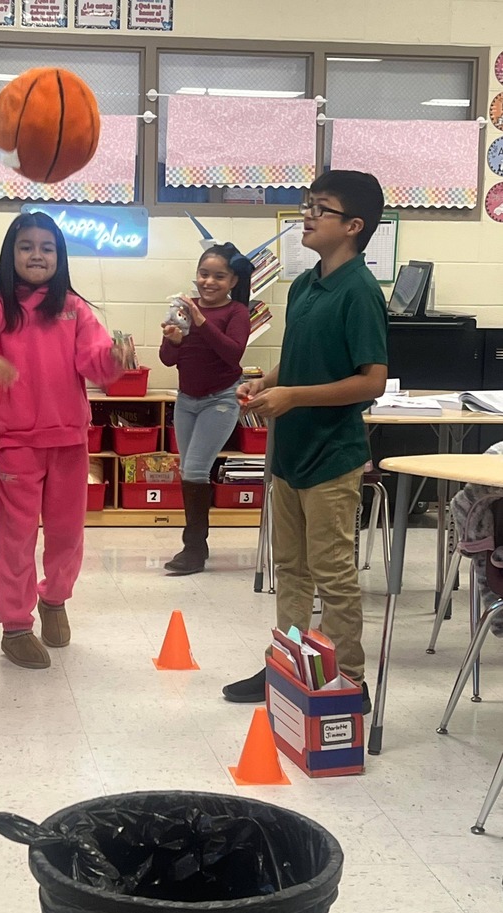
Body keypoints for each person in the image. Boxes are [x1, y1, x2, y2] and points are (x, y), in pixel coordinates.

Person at [222, 170, 388, 714]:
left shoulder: (360, 291)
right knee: (290, 571)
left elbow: (372, 381)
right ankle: (288, 666)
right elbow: (298, 361)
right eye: (307, 205)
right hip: (290, 454)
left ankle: (349, 682)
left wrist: (293, 396)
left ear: (353, 226)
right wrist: (266, 383)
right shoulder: (303, 285)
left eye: (321, 208)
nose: (308, 216)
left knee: (333, 574)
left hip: (332, 456)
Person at [0, 212, 128, 669]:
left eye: (46, 247)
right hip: (16, 442)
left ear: (59, 256)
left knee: (68, 533)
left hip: (69, 440)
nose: (36, 255)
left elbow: (95, 360)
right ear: (11, 255)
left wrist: (114, 357)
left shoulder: (74, 308)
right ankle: (15, 625)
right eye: (26, 246)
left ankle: (54, 600)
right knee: (17, 535)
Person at [159, 243, 253, 575]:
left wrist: (200, 321)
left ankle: (194, 549)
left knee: (197, 470)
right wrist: (173, 340)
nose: (208, 282)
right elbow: (168, 359)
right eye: (203, 274)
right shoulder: (184, 307)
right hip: (187, 400)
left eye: (219, 276)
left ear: (232, 281)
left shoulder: (237, 312)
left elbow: (233, 353)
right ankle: (199, 544)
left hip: (221, 399)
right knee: (188, 470)